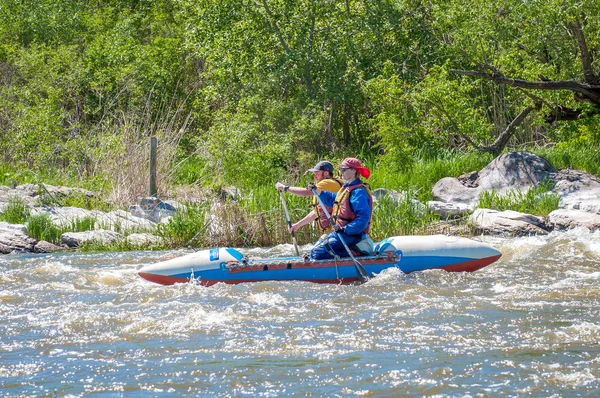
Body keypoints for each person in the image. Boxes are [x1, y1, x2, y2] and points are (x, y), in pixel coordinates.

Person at [308, 157, 373, 260]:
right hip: (342, 233)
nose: (341, 172)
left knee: (317, 253)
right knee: (316, 247)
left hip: (352, 235)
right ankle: (340, 253)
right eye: (340, 169)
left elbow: (362, 219)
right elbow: (333, 199)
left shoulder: (358, 192)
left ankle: (355, 253)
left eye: (344, 169)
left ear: (353, 170)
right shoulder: (346, 188)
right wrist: (317, 190)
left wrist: (344, 229)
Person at [275, 160, 343, 236]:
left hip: (337, 230)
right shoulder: (331, 184)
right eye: (314, 173)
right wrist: (298, 225)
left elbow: (305, 192)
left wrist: (285, 188)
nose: (314, 175)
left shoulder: (327, 183)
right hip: (335, 230)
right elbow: (317, 212)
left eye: (317, 172)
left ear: (326, 173)